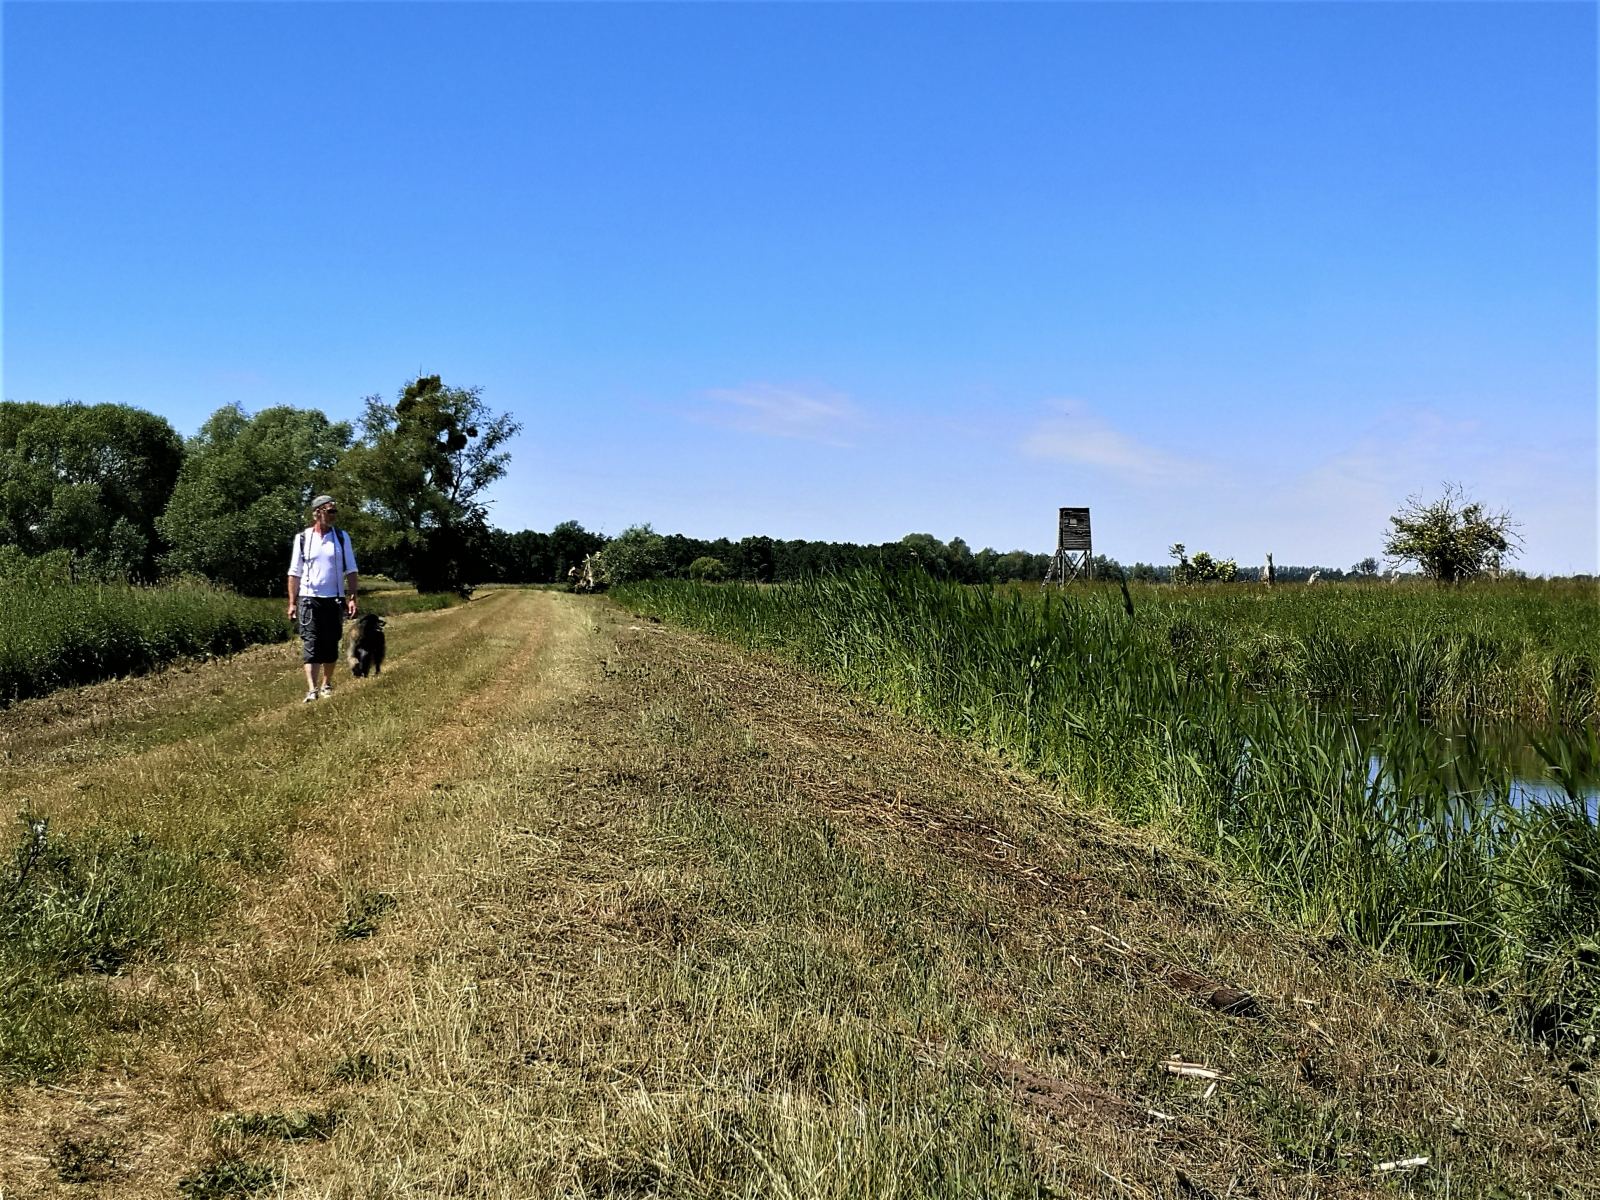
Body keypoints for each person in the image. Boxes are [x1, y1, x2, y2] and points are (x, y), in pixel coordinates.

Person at [286, 495, 359, 703]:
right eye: (330, 511)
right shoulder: (303, 538)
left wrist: (352, 597)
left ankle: (327, 684)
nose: (334, 515)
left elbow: (351, 569)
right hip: (309, 599)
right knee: (311, 642)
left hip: (334, 598)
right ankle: (312, 689)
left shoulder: (341, 537)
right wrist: (292, 602)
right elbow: (294, 572)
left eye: (335, 511)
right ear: (317, 513)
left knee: (330, 642)